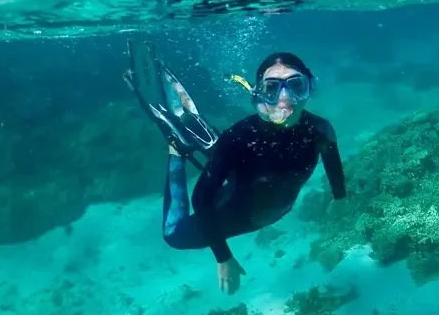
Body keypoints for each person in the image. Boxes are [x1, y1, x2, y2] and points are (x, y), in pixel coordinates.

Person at [124, 41, 346, 295]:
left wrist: (340, 198)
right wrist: (223, 258)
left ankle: (209, 144)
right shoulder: (238, 137)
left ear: (310, 88)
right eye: (272, 89)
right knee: (174, 235)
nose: (285, 100)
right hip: (242, 209)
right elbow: (201, 198)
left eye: (296, 86)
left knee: (230, 159)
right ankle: (177, 152)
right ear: (259, 94)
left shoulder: (321, 130)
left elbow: (332, 162)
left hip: (258, 186)